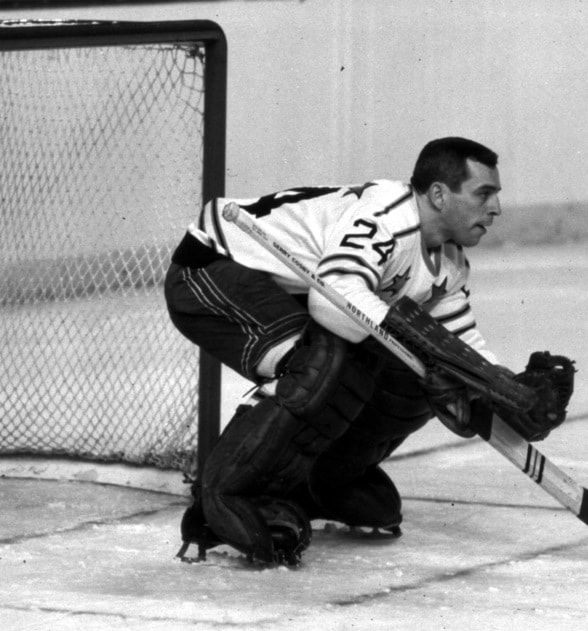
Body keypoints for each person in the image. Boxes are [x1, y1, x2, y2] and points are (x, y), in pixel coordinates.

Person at [165, 136, 566, 565]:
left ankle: (320, 480)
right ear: (438, 194)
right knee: (320, 365)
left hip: (278, 286)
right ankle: (224, 502)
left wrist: (504, 388)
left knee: (416, 376)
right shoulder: (386, 219)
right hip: (214, 270)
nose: (496, 208)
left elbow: (460, 346)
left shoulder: (449, 260)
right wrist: (428, 351)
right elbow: (333, 296)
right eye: (484, 193)